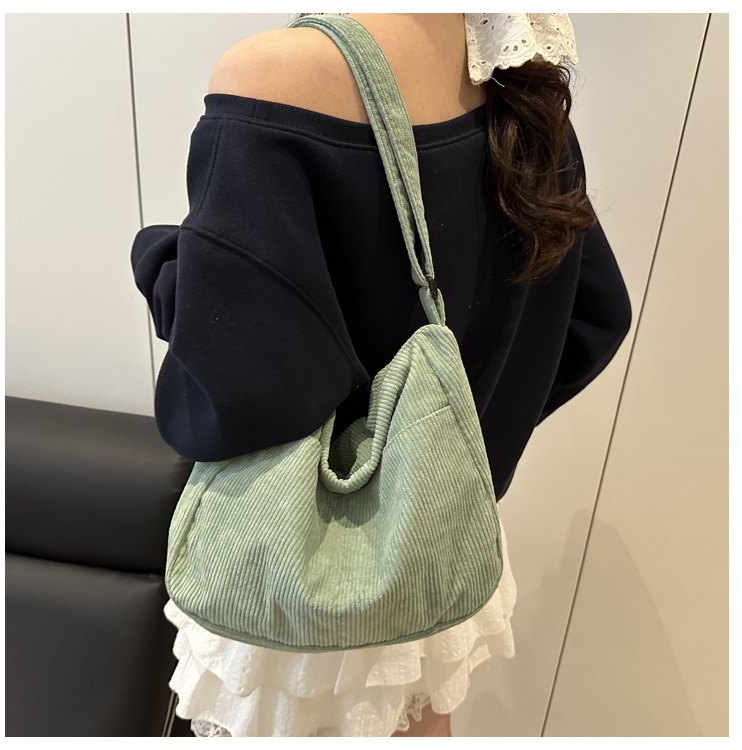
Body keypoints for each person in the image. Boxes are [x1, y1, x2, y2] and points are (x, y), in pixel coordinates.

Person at [130, 12, 632, 738]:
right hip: (436, 549)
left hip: (302, 585)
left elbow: (234, 390)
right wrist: (455, 442)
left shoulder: (275, 76)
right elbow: (594, 318)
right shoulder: (513, 78)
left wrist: (161, 260)